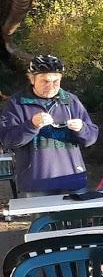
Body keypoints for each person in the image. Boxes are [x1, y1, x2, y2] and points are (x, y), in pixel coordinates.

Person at [0, 54, 98, 194]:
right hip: (37, 184)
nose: (50, 86)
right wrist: (31, 125)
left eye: (55, 81)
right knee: (44, 218)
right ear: (32, 79)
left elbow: (91, 137)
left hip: (73, 180)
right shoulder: (17, 103)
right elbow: (7, 140)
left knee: (76, 216)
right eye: (44, 81)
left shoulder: (70, 101)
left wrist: (82, 128)